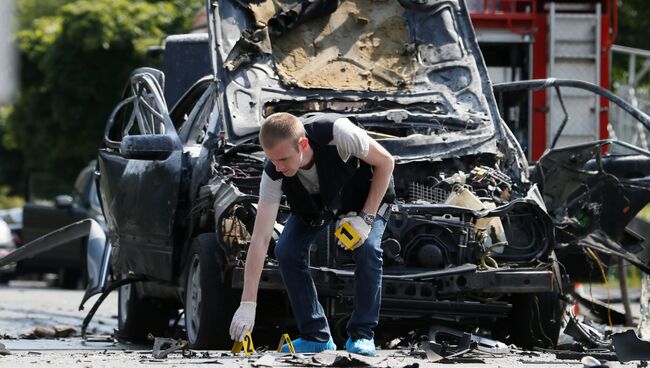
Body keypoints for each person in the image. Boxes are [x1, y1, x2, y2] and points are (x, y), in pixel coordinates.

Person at [228, 112, 395, 356]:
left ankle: (362, 334)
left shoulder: (338, 133)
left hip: (365, 196)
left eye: (284, 159)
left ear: (302, 144)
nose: (279, 167)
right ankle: (316, 336)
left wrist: (366, 218)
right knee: (286, 250)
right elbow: (260, 238)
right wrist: (247, 303)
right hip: (318, 204)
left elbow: (386, 162)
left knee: (368, 248)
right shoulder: (273, 172)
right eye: (273, 160)